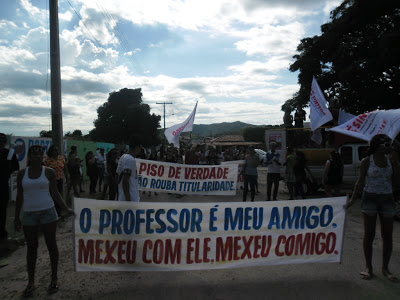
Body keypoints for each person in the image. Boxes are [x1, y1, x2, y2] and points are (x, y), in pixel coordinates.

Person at [14, 145, 73, 297]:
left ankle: (54, 279)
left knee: (51, 245)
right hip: (29, 214)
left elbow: (55, 193)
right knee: (31, 248)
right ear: (29, 156)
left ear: (43, 157)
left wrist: (66, 208)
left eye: (40, 154)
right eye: (34, 154)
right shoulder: (22, 174)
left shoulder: (49, 172)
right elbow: (19, 197)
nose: (38, 157)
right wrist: (16, 217)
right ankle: (30, 282)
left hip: (48, 212)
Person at [346, 134, 398, 282]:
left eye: (389, 143)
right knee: (369, 235)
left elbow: (396, 182)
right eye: (385, 144)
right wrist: (352, 199)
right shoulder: (367, 161)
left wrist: (396, 164)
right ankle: (368, 267)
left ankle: (385, 268)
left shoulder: (391, 162)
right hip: (370, 199)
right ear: (378, 145)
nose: (388, 146)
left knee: (387, 235)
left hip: (387, 199)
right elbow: (360, 182)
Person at [0, 133, 19, 240]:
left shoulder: (9, 153)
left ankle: (2, 232)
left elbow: (15, 166)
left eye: (2, 142)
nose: (1, 144)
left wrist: (8, 170)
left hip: (3, 185)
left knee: (2, 209)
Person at [44, 145, 70, 214]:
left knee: (59, 196)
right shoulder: (47, 160)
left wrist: (67, 179)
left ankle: (58, 211)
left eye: (57, 150)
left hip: (59, 180)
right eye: (55, 150)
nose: (56, 151)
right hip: (50, 182)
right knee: (52, 196)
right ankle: (52, 211)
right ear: (51, 151)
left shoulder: (61, 158)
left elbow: (65, 170)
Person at [116, 135, 142, 202]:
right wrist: (128, 201)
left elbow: (118, 178)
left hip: (122, 197)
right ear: (138, 146)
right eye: (140, 148)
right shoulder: (130, 160)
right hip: (130, 200)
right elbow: (125, 181)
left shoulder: (123, 157)